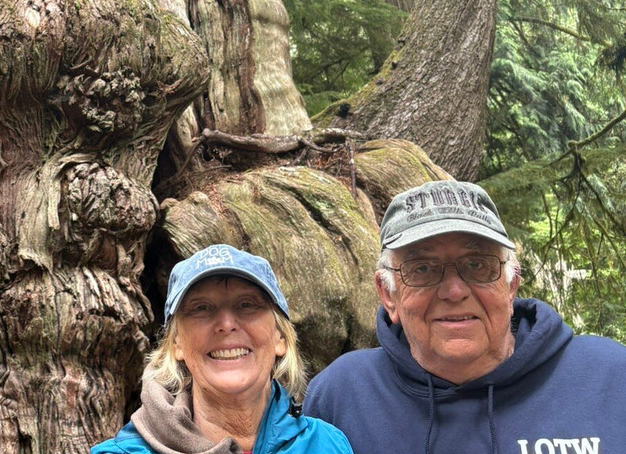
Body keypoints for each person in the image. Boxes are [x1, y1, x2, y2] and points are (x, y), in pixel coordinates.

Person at [304, 179, 626, 454]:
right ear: (389, 294)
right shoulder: (341, 397)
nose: (454, 291)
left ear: (511, 285)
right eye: (423, 269)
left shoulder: (609, 378)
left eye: (477, 265)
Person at [92, 244, 352, 454]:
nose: (226, 324)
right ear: (176, 344)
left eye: (247, 304)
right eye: (201, 308)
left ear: (280, 337)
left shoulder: (327, 445)